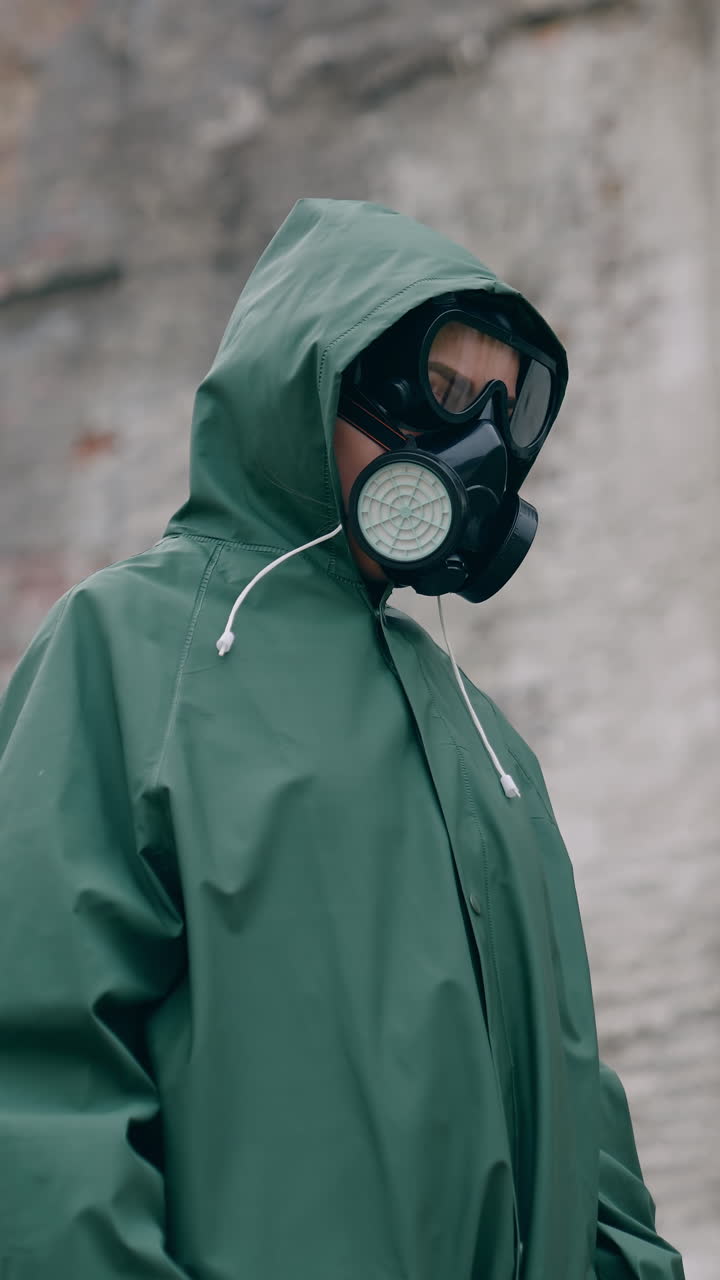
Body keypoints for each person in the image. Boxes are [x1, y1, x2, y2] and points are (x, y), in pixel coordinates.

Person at [0, 198, 684, 1279]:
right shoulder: (131, 650)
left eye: (502, 414)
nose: (475, 450)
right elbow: (35, 1084)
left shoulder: (489, 746)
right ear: (310, 372)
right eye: (446, 394)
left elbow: (592, 1158)